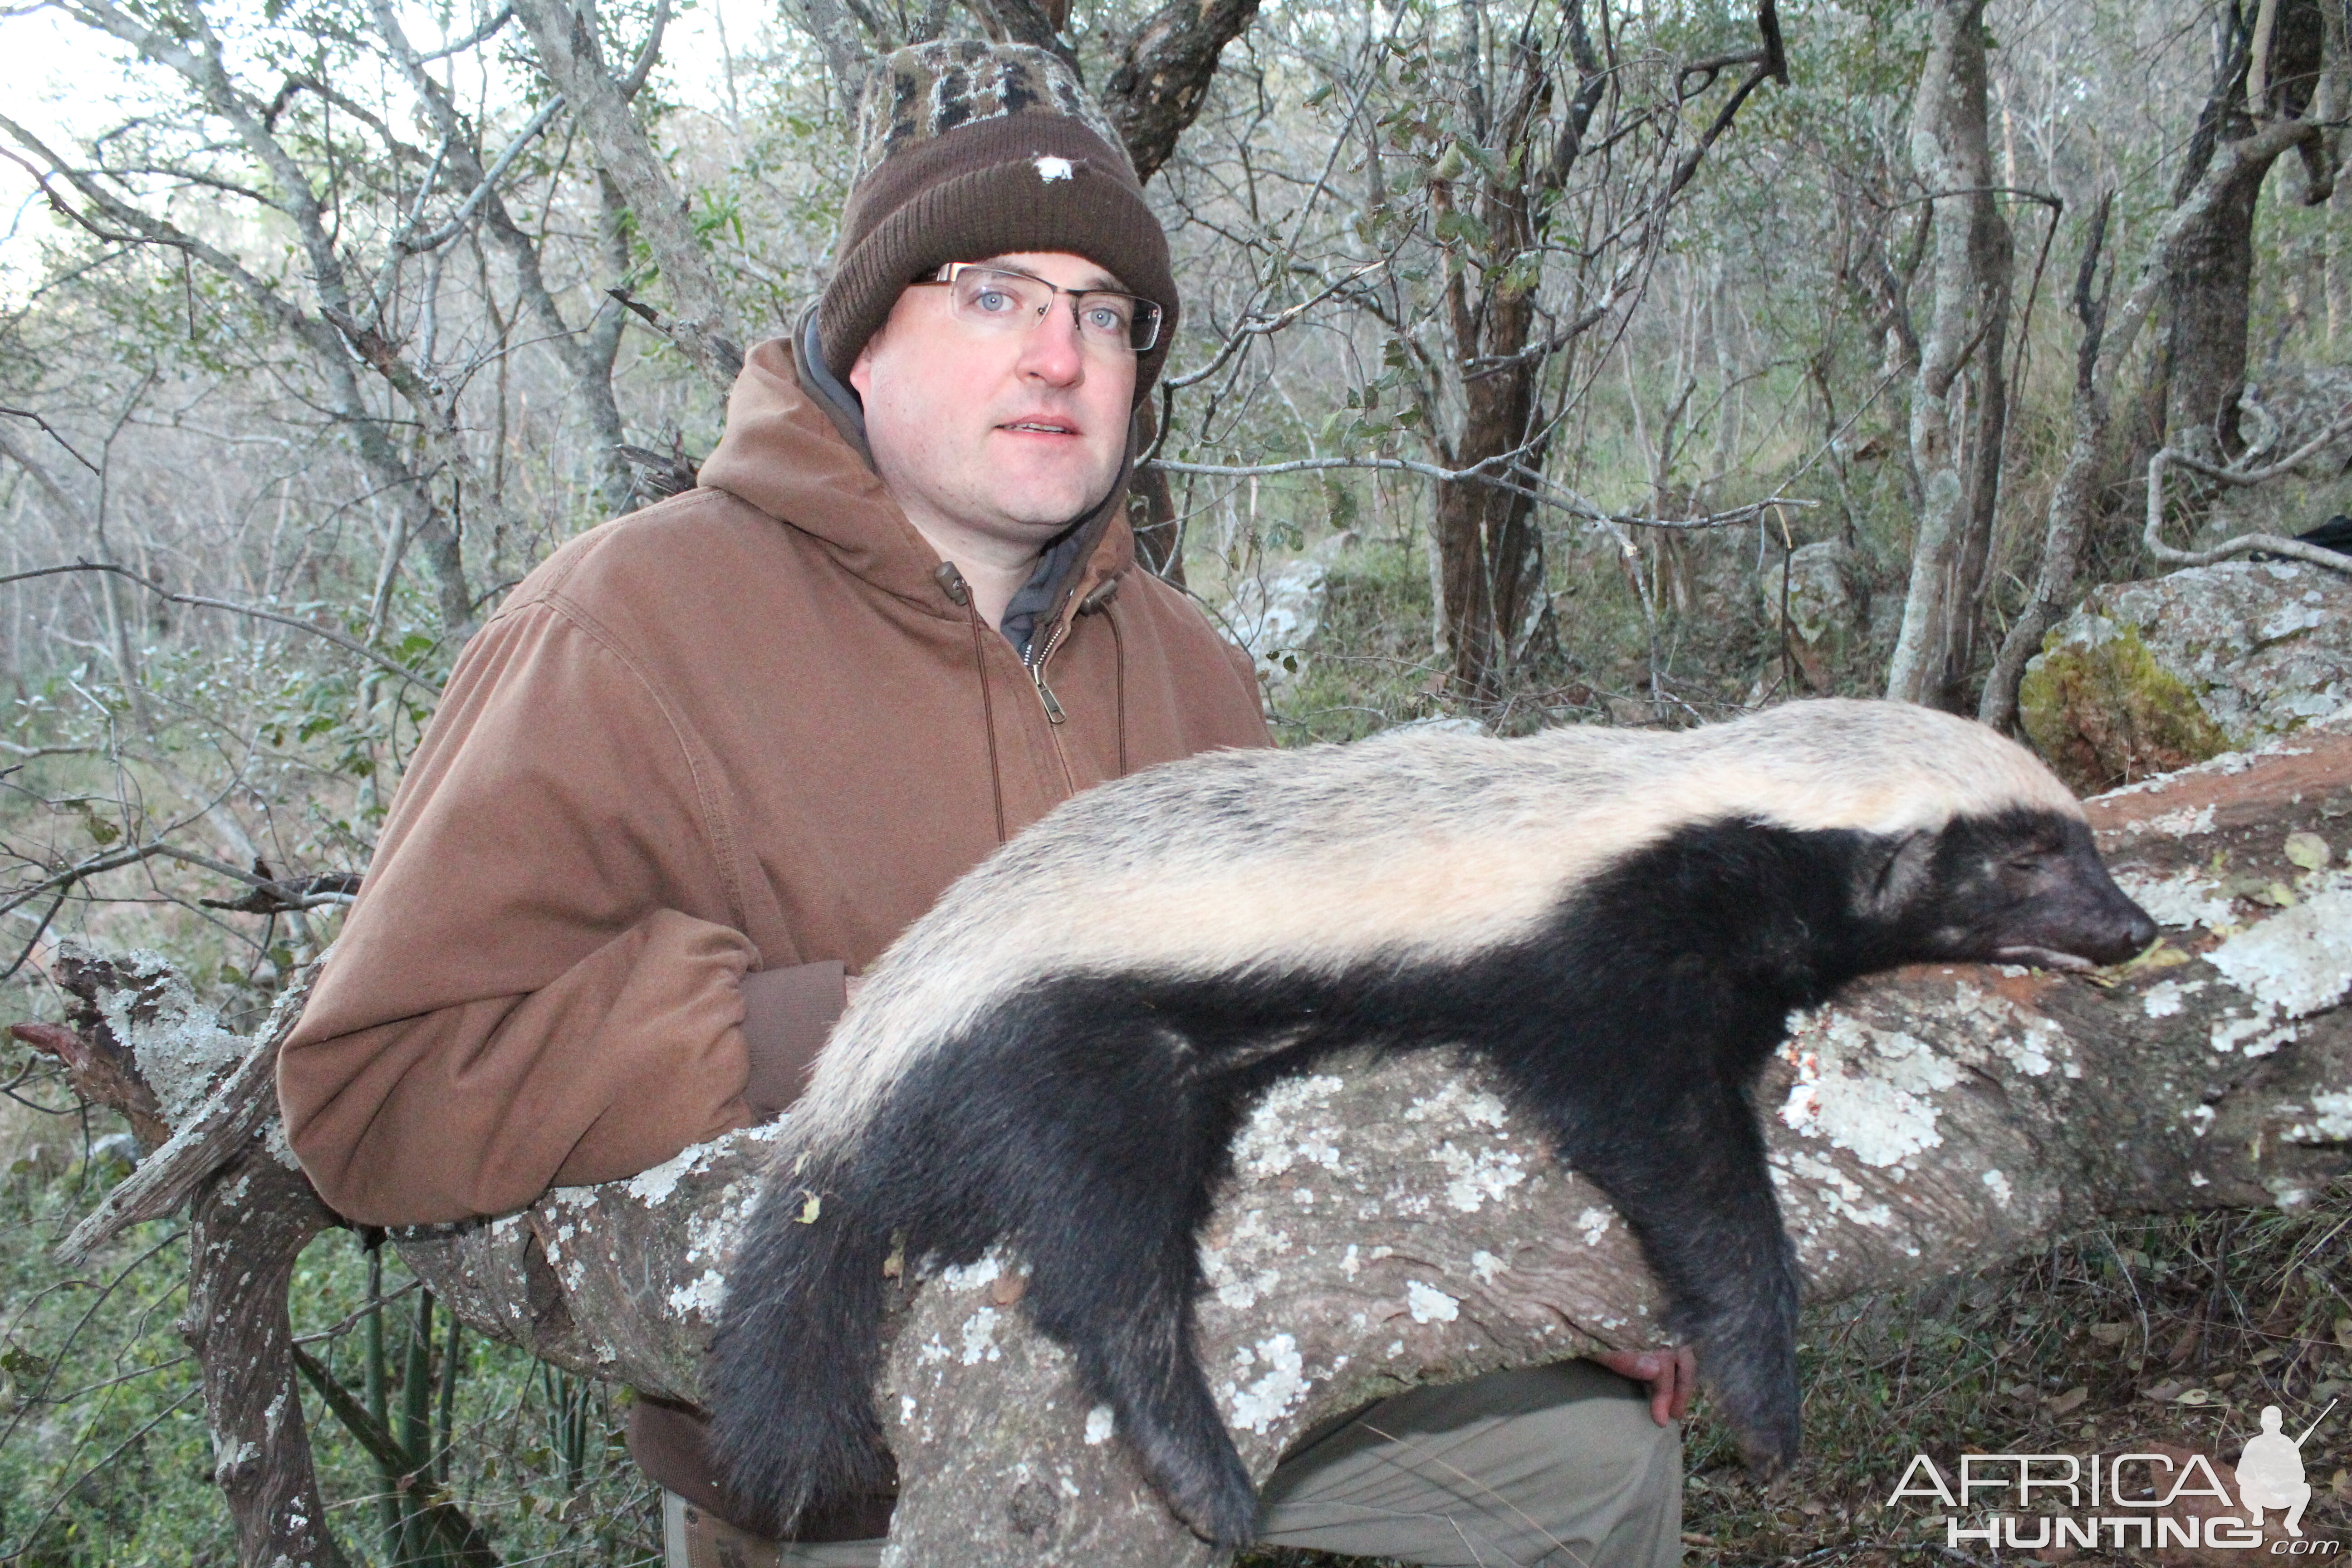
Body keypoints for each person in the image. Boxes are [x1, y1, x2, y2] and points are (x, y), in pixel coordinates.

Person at [277, 39, 1687, 1568]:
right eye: (996, 294)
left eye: (1102, 313)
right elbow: (374, 1090)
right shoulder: (629, 625)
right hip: (856, 1468)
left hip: (1215, 1356)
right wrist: (851, 1029)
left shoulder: (1192, 668)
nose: (1059, 354)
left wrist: (1524, 1264)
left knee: (1597, 1469)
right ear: (865, 336)